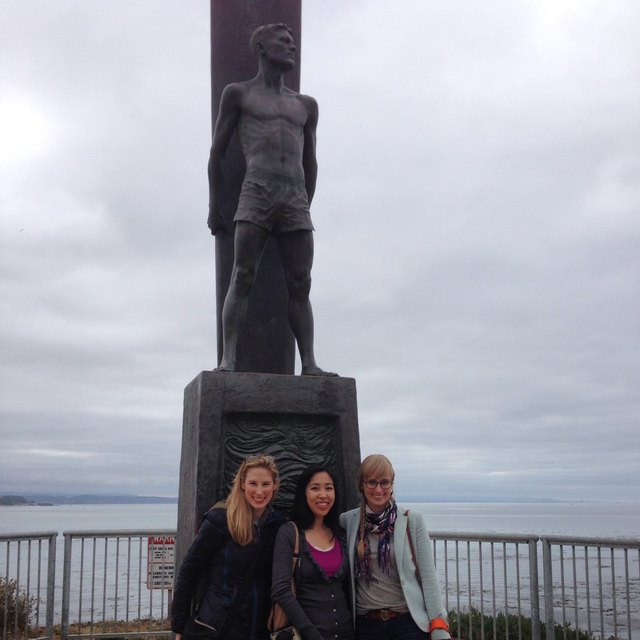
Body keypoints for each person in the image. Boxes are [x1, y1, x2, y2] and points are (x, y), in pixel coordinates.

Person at [208, 23, 336, 377]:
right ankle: (228, 360)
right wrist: (214, 205)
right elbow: (217, 152)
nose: (291, 47)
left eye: (293, 42)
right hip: (257, 189)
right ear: (262, 49)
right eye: (283, 42)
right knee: (243, 274)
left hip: (293, 196)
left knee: (301, 282)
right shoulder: (239, 94)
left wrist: (306, 202)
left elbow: (310, 159)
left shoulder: (306, 105)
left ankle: (309, 363)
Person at [171, 454, 285, 640]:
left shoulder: (277, 524)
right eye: (253, 483)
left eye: (265, 484)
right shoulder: (220, 520)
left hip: (258, 625)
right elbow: (189, 570)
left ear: (274, 486)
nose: (259, 491)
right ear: (242, 484)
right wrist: (178, 626)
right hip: (219, 623)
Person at [340, 455, 451, 640]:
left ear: (392, 484)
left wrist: (439, 625)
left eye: (384, 482)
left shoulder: (412, 521)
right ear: (362, 484)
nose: (378, 489)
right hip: (365, 625)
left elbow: (428, 576)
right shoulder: (348, 521)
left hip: (406, 623)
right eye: (372, 482)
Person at [272, 465, 354, 640]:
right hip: (306, 635)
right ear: (304, 493)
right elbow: (280, 589)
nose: (323, 494)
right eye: (315, 488)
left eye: (329, 488)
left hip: (346, 634)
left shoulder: (340, 534)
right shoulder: (289, 533)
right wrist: (311, 633)